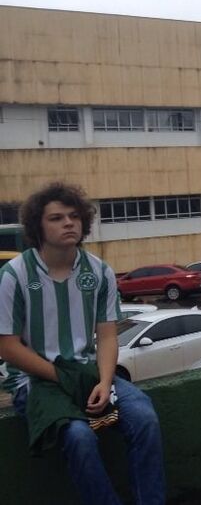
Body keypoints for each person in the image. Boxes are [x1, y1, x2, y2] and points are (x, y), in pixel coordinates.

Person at [0, 182, 165, 505]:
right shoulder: (14, 275)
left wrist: (105, 381)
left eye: (74, 216)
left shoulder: (99, 271)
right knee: (79, 437)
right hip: (33, 380)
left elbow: (106, 335)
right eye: (56, 218)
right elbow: (7, 346)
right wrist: (62, 377)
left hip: (87, 372)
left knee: (144, 418)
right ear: (37, 226)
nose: (68, 223)